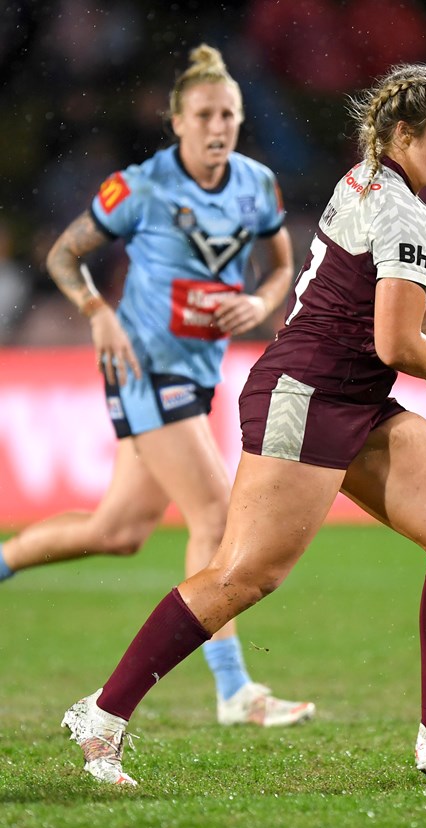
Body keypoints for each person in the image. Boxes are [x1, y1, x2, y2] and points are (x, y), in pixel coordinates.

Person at [59, 62, 426, 786]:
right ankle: (102, 713)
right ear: (404, 132)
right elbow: (393, 344)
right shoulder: (405, 211)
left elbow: (381, 304)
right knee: (247, 574)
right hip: (307, 395)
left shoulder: (369, 178)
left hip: (353, 396)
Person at [0, 44, 315, 730]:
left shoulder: (257, 185)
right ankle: (235, 692)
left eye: (227, 114)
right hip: (143, 366)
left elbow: (280, 266)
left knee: (117, 530)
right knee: (214, 518)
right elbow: (62, 254)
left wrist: (260, 303)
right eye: (203, 114)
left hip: (196, 372)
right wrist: (99, 314)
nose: (217, 126)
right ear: (176, 120)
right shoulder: (138, 187)